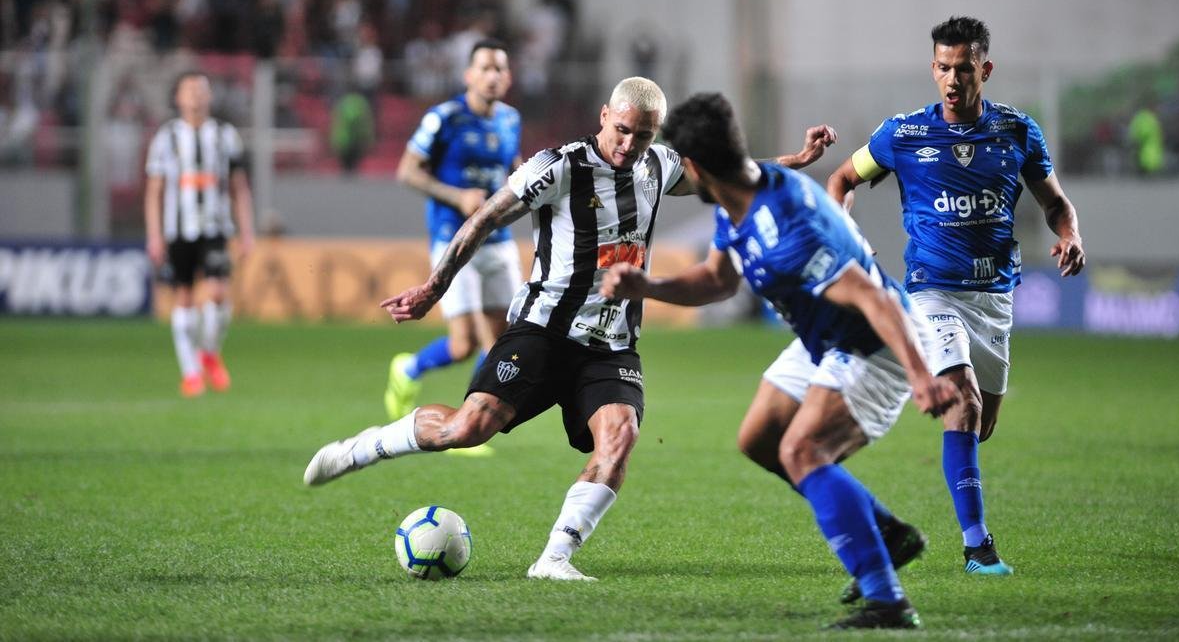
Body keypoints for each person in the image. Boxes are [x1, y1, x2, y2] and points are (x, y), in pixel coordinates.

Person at [304, 76, 836, 581]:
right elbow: (486, 218)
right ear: (605, 116)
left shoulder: (660, 165)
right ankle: (363, 448)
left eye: (643, 135)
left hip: (611, 344)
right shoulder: (558, 165)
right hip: (542, 330)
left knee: (620, 437)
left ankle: (554, 558)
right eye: (622, 129)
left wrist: (795, 161)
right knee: (467, 429)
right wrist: (434, 287)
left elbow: (725, 173)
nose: (629, 144)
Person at [601, 92, 959, 629]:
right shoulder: (740, 197)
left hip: (877, 345)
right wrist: (647, 286)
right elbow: (718, 281)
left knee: (802, 450)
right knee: (760, 440)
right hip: (826, 336)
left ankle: (887, 599)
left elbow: (872, 297)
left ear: (694, 168)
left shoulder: (787, 225)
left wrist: (922, 377)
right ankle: (885, 531)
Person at [826, 16, 1086, 577]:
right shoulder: (904, 134)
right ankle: (978, 547)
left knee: (980, 424)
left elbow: (1055, 203)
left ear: (984, 70)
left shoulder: (1017, 132)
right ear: (933, 68)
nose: (950, 79)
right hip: (931, 293)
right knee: (962, 403)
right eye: (942, 68)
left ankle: (958, 459)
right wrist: (847, 239)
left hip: (994, 298)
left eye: (962, 69)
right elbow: (842, 179)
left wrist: (1070, 235)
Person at [383, 40, 523, 458]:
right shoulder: (444, 117)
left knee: (498, 341)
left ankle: (466, 421)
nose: (493, 75)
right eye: (485, 68)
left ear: (509, 77)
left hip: (498, 239)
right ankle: (408, 369)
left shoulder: (511, 120)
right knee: (462, 344)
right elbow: (407, 172)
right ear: (468, 75)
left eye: (500, 68)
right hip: (453, 239)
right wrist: (455, 195)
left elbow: (512, 169)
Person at [145, 70, 255, 397]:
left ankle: (207, 352)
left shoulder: (225, 135)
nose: (195, 95)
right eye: (189, 90)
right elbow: (154, 191)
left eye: (201, 90)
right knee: (184, 298)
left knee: (218, 293)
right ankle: (190, 373)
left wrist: (247, 231)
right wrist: (154, 235)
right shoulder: (165, 138)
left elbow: (239, 188)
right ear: (178, 98)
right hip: (178, 229)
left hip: (215, 226)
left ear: (209, 97)